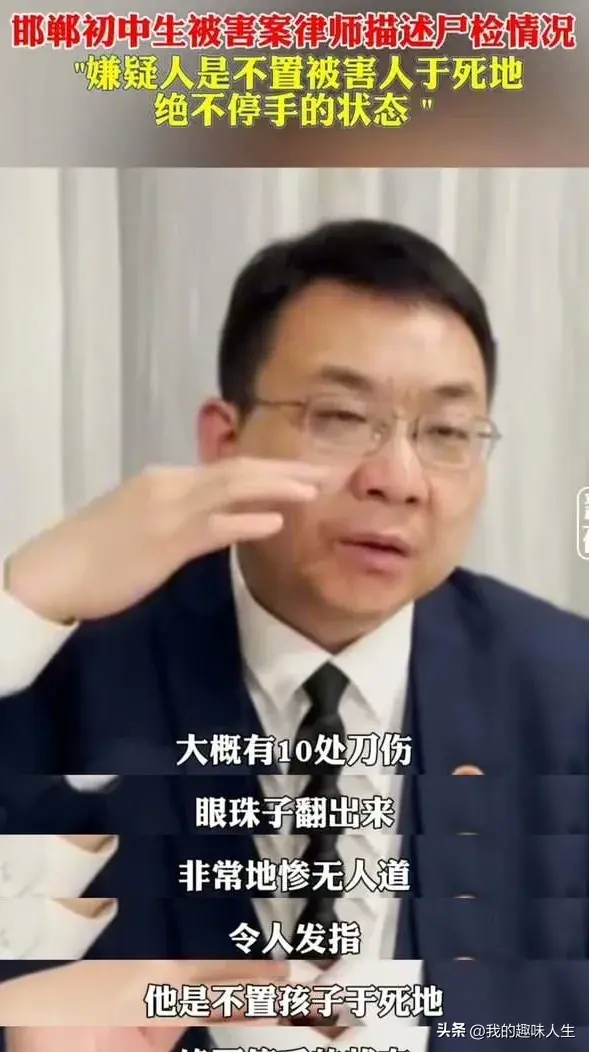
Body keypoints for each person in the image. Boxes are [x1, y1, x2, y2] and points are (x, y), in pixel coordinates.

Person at [0, 219, 588, 1049]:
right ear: (225, 441)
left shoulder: (564, 691)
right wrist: (22, 597)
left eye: (447, 434)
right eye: (341, 416)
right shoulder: (62, 673)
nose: (398, 480)